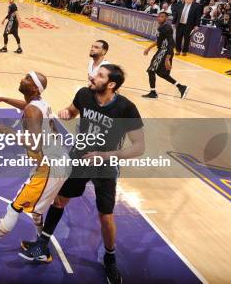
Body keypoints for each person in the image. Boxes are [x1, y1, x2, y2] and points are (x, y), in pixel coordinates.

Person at [21, 64, 145, 284]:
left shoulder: (126, 108)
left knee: (105, 216)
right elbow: (72, 111)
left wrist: (104, 155)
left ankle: (109, 257)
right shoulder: (84, 94)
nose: (93, 76)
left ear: (111, 84)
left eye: (99, 75)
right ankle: (42, 243)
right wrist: (66, 113)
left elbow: (138, 147)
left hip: (105, 166)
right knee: (59, 201)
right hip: (79, 158)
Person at [0, 71, 69, 260]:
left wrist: (4, 129)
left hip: (49, 168)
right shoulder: (39, 104)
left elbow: (34, 144)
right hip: (57, 164)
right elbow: (27, 106)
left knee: (15, 207)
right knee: (37, 211)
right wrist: (2, 98)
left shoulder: (33, 111)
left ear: (34, 88)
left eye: (27, 79)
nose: (21, 79)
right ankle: (41, 248)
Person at [142, 11, 189, 99]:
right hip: (161, 51)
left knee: (151, 70)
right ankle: (181, 87)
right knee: (162, 73)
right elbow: (159, 41)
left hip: (165, 51)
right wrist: (149, 48)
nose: (159, 18)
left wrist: (167, 59)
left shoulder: (167, 28)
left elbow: (171, 44)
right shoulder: (161, 27)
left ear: (166, 18)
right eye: (159, 16)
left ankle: (153, 93)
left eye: (162, 17)